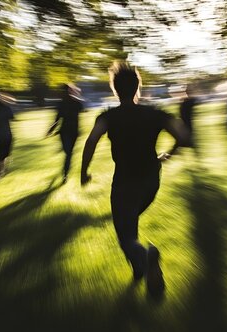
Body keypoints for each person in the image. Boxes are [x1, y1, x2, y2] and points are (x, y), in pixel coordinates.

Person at [81, 61, 190, 298]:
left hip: (125, 182)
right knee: (129, 223)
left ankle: (145, 258)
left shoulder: (108, 116)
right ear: (137, 87)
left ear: (115, 89)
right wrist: (169, 154)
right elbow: (183, 134)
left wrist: (83, 172)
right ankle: (140, 270)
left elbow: (91, 142)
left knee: (126, 235)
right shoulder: (154, 113)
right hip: (151, 181)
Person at [46, 84, 84, 183]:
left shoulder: (70, 103)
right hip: (66, 132)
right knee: (68, 153)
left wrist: (51, 130)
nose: (60, 93)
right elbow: (57, 119)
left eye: (62, 91)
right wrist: (51, 130)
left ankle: (65, 174)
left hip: (71, 132)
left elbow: (57, 119)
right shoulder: (66, 104)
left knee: (68, 153)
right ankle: (65, 174)